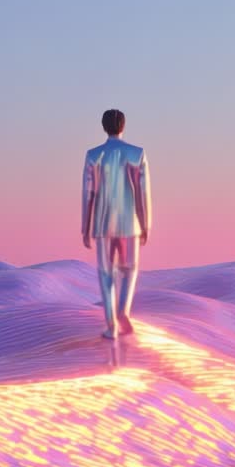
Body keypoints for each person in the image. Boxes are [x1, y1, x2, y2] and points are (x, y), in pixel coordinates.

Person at [81, 108, 151, 340]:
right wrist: (146, 224)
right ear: (123, 125)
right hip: (130, 222)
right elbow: (143, 193)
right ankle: (123, 312)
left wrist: (85, 226)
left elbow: (88, 193)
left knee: (106, 273)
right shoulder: (136, 153)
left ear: (104, 126)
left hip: (102, 222)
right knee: (129, 270)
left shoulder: (93, 155)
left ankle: (111, 325)